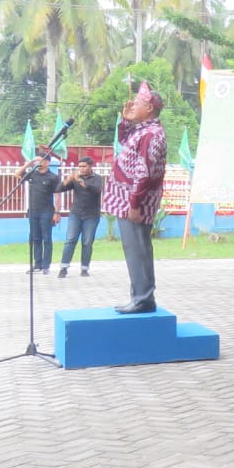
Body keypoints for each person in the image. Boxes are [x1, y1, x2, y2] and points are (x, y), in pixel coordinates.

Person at [102, 83, 168, 312]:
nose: (132, 105)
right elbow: (124, 140)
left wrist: (135, 203)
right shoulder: (143, 130)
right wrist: (127, 120)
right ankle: (141, 296)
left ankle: (143, 298)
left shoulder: (152, 135)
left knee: (137, 248)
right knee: (135, 249)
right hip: (128, 199)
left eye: (138, 103)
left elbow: (145, 171)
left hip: (136, 202)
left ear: (149, 108)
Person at [56, 156, 105, 278]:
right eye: (80, 167)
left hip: (91, 215)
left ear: (90, 166)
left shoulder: (97, 179)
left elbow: (96, 189)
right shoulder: (75, 178)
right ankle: (64, 268)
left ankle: (84, 269)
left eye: (84, 166)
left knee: (87, 242)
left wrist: (79, 181)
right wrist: (67, 180)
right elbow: (58, 189)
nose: (81, 169)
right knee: (70, 240)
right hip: (76, 214)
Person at [19, 152, 63, 274]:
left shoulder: (53, 177)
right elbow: (17, 174)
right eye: (37, 161)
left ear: (47, 162)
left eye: (41, 160)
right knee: (35, 238)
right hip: (33, 211)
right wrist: (29, 163)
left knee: (46, 238)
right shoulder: (32, 174)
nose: (38, 163)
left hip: (47, 212)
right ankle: (37, 264)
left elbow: (57, 195)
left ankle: (46, 265)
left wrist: (57, 212)